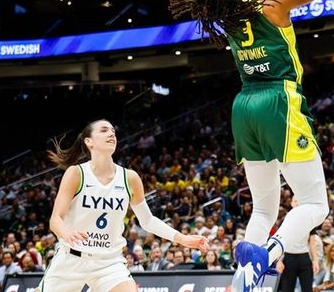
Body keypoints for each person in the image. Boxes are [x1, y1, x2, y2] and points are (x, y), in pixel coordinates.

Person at [168, 0, 334, 292]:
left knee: (264, 206)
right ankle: (273, 252)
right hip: (278, 100)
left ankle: (244, 272)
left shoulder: (228, 12)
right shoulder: (274, 3)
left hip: (244, 105)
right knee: (316, 204)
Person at [37, 119, 208, 292]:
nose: (111, 133)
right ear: (89, 141)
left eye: (113, 131)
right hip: (71, 259)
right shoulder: (76, 173)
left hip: (108, 262)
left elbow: (147, 220)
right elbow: (55, 220)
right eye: (104, 130)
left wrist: (182, 238)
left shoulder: (130, 178)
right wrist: (66, 233)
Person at [277, 199, 321, 292]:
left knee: (307, 289)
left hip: (304, 258)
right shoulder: (286, 220)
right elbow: (280, 241)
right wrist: (279, 260)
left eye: (300, 201)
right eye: (295, 201)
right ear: (292, 203)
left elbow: (312, 243)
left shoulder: (310, 220)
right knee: (287, 289)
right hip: (289, 259)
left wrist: (315, 261)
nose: (298, 203)